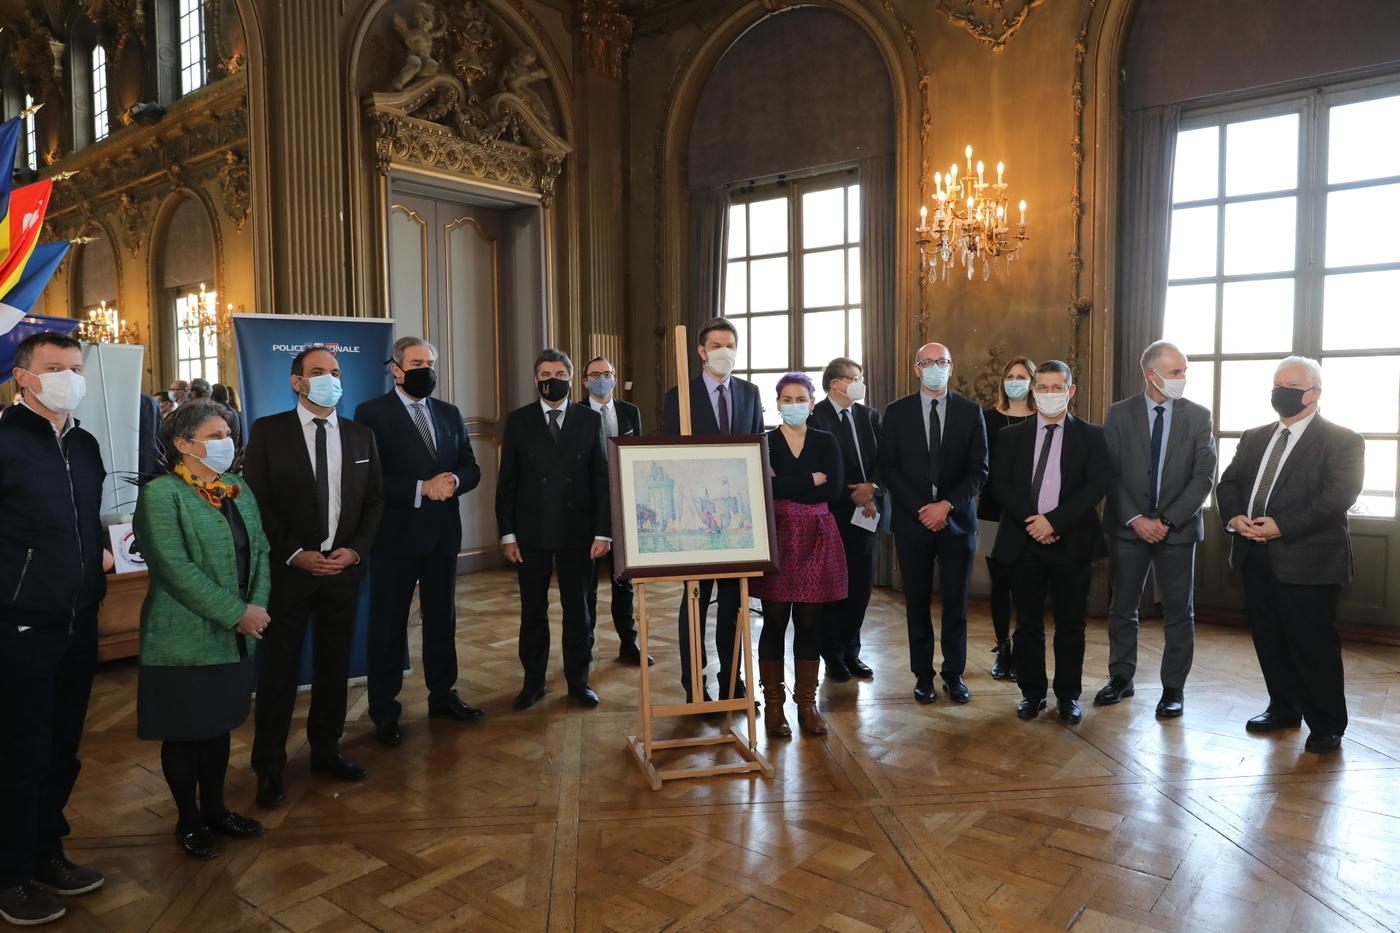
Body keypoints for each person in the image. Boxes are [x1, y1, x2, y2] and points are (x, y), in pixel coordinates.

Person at [0, 332, 112, 927]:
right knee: (20, 749)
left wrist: (98, 552)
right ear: (25, 376)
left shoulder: (86, 443)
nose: (69, 376)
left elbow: (84, 515)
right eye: (54, 367)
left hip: (80, 615)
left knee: (64, 747)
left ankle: (48, 851)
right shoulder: (5, 440)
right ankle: (11, 872)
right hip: (20, 622)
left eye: (75, 367)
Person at [243, 346, 385, 806]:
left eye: (336, 372)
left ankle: (327, 751)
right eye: (318, 372)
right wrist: (294, 553)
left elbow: (374, 502)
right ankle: (269, 766)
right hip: (290, 574)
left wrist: (355, 552)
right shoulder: (268, 432)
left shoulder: (361, 436)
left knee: (334, 668)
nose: (330, 379)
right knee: (279, 673)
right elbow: (257, 502)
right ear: (296, 381)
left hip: (342, 573)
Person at [133, 400, 270, 860]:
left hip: (233, 634)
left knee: (217, 729)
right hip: (181, 638)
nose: (226, 443)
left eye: (227, 433)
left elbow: (262, 552)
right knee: (185, 733)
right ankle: (188, 819)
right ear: (182, 444)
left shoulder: (236, 488)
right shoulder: (162, 495)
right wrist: (238, 613)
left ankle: (216, 810)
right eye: (214, 436)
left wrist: (257, 605)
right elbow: (174, 569)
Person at [1216, 356, 1363, 754]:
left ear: (1313, 393)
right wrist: (1235, 518)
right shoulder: (1253, 436)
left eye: (1291, 385)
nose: (1280, 392)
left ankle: (1327, 722)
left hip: (1309, 560)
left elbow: (1338, 495)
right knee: (1270, 639)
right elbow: (1228, 482)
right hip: (1254, 555)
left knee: (1313, 645)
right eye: (1276, 384)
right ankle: (1283, 708)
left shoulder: (1343, 439)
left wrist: (1282, 525)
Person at [355, 337, 483, 747]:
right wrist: (420, 488)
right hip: (395, 537)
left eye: (430, 362)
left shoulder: (449, 413)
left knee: (442, 618)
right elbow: (369, 479)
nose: (424, 369)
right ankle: (384, 708)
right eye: (416, 362)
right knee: (389, 623)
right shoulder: (371, 413)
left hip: (443, 536)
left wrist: (455, 481)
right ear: (396, 368)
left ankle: (443, 695)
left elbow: (470, 466)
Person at [1096, 341, 1216, 718]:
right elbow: (1109, 474)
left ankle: (1173, 690)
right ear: (1152, 375)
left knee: (1179, 613)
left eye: (1183, 371)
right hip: (1128, 528)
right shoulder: (1119, 414)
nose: (1183, 378)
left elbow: (1203, 477)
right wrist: (1135, 519)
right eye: (1176, 371)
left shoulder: (1199, 416)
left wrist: (1165, 521)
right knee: (1122, 608)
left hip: (1177, 532)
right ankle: (1121, 678)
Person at [990, 360, 1108, 723]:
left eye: (1058, 388)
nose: (1049, 394)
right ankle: (1032, 692)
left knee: (1071, 623)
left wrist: (1054, 522)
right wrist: (1035, 523)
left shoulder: (1092, 435)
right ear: (1033, 391)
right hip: (1024, 541)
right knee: (1027, 624)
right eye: (1043, 387)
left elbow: (1096, 486)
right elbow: (1001, 485)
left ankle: (1069, 695)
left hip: (1071, 541)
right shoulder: (1011, 437)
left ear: (1071, 392)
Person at [497, 349, 612, 709]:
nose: (553, 379)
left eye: (560, 372)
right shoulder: (518, 421)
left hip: (578, 533)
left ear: (571, 377)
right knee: (533, 611)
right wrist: (508, 534)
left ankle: (579, 680)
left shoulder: (588, 420)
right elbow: (507, 483)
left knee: (579, 610)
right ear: (536, 379)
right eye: (546, 373)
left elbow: (601, 481)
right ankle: (533, 682)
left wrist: (603, 532)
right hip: (531, 533)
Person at [877, 342, 988, 706]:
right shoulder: (896, 412)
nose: (935, 367)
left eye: (942, 361)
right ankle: (923, 676)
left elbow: (979, 470)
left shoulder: (971, 412)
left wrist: (946, 505)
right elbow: (888, 467)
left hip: (957, 523)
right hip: (913, 523)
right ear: (917, 369)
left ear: (951, 368)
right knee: (917, 603)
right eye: (928, 362)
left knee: (956, 604)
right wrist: (923, 508)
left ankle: (954, 674)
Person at [661, 317, 765, 703]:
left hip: (737, 520)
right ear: (702, 352)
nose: (725, 352)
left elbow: (755, 448)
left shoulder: (750, 393)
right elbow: (671, 457)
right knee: (694, 603)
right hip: (696, 520)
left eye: (731, 345)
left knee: (734, 604)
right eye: (717, 346)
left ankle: (731, 683)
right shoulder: (680, 396)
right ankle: (695, 688)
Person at [753, 374, 846, 737]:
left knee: (809, 623)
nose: (794, 404)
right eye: (786, 398)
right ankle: (774, 707)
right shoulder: (765, 442)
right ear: (777, 403)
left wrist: (787, 483)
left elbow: (836, 489)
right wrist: (812, 479)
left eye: (801, 398)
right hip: (777, 538)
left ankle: (807, 704)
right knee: (774, 622)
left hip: (818, 536)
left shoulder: (826, 440)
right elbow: (764, 487)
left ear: (812, 403)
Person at [809, 357, 881, 682]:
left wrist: (872, 490)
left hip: (869, 512)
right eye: (855, 377)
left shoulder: (869, 416)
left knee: (861, 588)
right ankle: (833, 654)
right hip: (834, 514)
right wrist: (851, 494)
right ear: (835, 383)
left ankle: (853, 650)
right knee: (834, 589)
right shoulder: (816, 418)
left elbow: (886, 459)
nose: (860, 382)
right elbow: (817, 468)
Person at [580, 355, 651, 666]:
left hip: (623, 505)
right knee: (587, 584)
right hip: (588, 509)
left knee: (624, 582)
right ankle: (585, 645)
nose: (601, 378)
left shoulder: (629, 411)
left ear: (614, 376)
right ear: (584, 382)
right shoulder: (575, 413)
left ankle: (628, 643)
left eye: (606, 373)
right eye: (594, 374)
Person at [977, 356, 1036, 681]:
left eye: (1022, 376)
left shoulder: (1043, 418)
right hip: (992, 512)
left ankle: (1025, 646)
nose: (1015, 381)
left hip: (1032, 515)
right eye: (1010, 376)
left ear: (1032, 381)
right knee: (1000, 584)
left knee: (1027, 583)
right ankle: (1003, 647)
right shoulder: (986, 418)